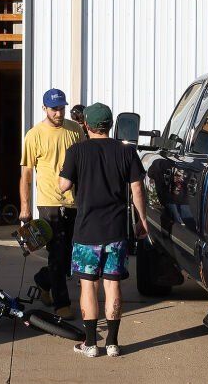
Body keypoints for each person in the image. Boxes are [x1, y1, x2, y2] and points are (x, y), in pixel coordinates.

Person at [57, 102, 148, 357]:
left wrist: (62, 176)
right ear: (110, 125)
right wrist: (142, 219)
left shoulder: (76, 151)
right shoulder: (127, 152)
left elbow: (63, 186)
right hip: (116, 231)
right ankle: (113, 343)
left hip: (87, 232)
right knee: (113, 285)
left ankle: (90, 344)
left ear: (86, 124)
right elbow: (137, 189)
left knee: (88, 286)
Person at [19, 88, 86, 312]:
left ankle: (42, 280)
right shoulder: (34, 135)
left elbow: (83, 165)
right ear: (44, 108)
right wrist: (25, 207)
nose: (59, 113)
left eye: (61, 108)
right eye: (54, 109)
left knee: (69, 255)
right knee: (57, 252)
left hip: (73, 201)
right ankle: (62, 304)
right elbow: (26, 174)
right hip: (49, 202)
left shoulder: (75, 130)